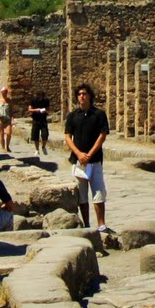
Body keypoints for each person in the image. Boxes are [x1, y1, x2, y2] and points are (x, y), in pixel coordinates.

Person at [63, 82, 112, 236]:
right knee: (82, 195)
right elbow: (67, 136)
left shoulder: (98, 115)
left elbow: (102, 135)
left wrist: (89, 154)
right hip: (78, 162)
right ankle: (86, 224)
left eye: (84, 94)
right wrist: (79, 154)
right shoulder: (72, 116)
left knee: (98, 193)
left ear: (90, 96)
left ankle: (101, 225)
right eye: (79, 94)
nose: (82, 96)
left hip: (94, 160)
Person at [0, 86, 15, 154]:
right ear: (1, 92)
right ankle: (3, 147)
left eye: (5, 92)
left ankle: (7, 146)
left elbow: (11, 110)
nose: (4, 93)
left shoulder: (9, 100)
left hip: (7, 118)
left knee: (8, 133)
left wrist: (12, 119)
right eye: (3, 92)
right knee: (1, 134)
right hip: (0, 118)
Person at [30, 93, 51, 157]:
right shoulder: (33, 100)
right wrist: (36, 110)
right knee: (35, 135)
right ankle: (37, 150)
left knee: (45, 134)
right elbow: (30, 109)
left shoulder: (46, 101)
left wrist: (45, 111)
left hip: (43, 119)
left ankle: (43, 147)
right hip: (35, 119)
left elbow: (49, 110)